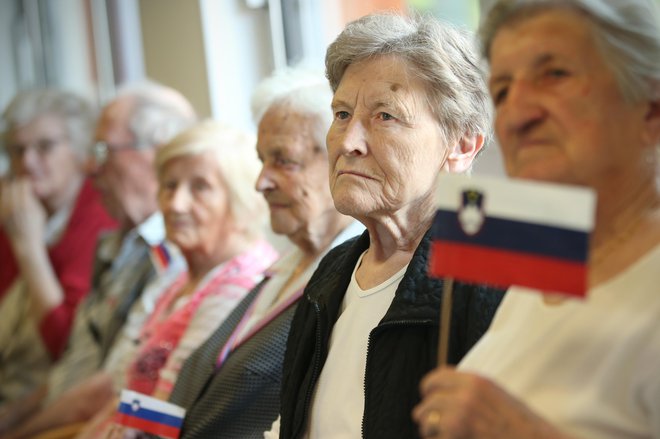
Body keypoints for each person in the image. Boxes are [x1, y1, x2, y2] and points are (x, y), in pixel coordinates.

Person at [413, 1, 660, 438]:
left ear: (652, 108)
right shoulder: (546, 263)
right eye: (503, 91)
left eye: (555, 75)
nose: (518, 116)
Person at [270, 13, 506, 439]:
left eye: (385, 116)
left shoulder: (493, 277)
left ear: (462, 144)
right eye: (342, 114)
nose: (347, 142)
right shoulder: (333, 271)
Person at [163, 68, 363, 439]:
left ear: (339, 158)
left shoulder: (352, 279)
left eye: (283, 160)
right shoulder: (282, 270)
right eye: (262, 160)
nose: (261, 182)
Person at [0, 80, 195, 435]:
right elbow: (73, 367)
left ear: (158, 153)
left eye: (104, 150)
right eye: (14, 150)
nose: (91, 167)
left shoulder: (169, 252)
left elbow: (108, 389)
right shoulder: (121, 242)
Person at [65, 120, 279, 439]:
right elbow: (121, 389)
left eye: (200, 187)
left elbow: (169, 413)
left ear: (242, 200)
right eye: (169, 185)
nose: (176, 204)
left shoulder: (242, 284)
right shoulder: (178, 275)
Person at [0, 89, 117, 404]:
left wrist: (28, 249)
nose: (27, 161)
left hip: (52, 397)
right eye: (16, 150)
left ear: (80, 152)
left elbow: (64, 343)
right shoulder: (8, 208)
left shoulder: (101, 213)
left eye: (45, 147)